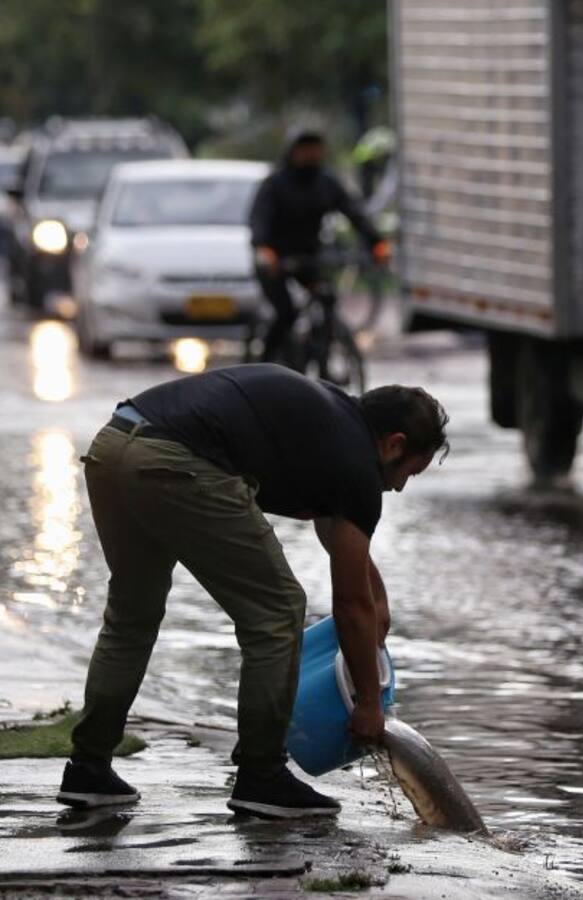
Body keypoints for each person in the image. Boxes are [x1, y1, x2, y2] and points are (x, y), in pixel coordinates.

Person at [57, 364, 448, 818]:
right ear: (394, 444)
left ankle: (88, 768)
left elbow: (338, 533)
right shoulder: (357, 466)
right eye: (408, 474)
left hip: (113, 447)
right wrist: (369, 705)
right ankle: (262, 775)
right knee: (278, 612)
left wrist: (376, 596)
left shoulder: (329, 421)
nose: (397, 487)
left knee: (132, 615)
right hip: (174, 461)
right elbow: (350, 606)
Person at [249, 129, 391, 366]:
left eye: (315, 149)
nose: (311, 155)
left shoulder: (326, 183)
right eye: (305, 150)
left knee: (326, 299)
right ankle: (265, 363)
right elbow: (258, 221)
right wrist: (264, 249)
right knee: (286, 312)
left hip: (310, 257)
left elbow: (354, 212)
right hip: (276, 260)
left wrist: (377, 242)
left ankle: (321, 356)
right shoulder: (275, 184)